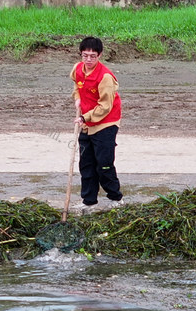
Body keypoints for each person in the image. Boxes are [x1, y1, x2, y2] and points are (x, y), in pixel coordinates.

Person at [70, 36, 123, 212]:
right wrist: (77, 98)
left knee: (104, 164)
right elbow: (77, 86)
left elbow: (105, 106)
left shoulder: (105, 77)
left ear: (99, 55)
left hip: (106, 122)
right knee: (86, 163)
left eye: (93, 56)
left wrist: (85, 117)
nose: (89, 60)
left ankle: (116, 198)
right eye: (85, 55)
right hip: (86, 122)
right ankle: (89, 201)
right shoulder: (77, 69)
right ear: (81, 54)